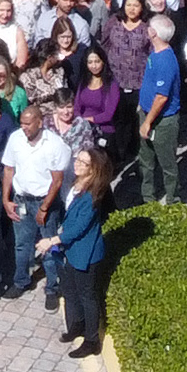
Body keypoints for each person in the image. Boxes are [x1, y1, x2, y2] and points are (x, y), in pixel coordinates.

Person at [40, 148, 112, 358]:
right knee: (70, 290)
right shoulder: (78, 184)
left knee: (87, 296)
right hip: (72, 251)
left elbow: (79, 227)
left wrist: (52, 240)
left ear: (94, 169)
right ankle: (76, 325)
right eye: (78, 159)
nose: (77, 163)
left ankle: (92, 341)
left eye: (84, 162)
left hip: (85, 253)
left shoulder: (92, 195)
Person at [2, 105, 71, 307]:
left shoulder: (55, 145)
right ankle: (21, 281)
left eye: (28, 123)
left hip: (44, 202)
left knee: (50, 246)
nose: (24, 127)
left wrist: (44, 208)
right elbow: (8, 169)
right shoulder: (16, 139)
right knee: (22, 244)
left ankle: (52, 287)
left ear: (40, 123)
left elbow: (57, 180)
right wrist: (6, 199)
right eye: (22, 123)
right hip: (22, 199)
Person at [138, 16, 182, 203]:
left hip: (163, 121)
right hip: (147, 114)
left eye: (149, 27)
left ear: (153, 33)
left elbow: (162, 96)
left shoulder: (165, 61)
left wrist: (147, 122)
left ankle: (173, 200)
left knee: (167, 164)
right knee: (146, 160)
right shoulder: (156, 53)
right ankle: (148, 198)